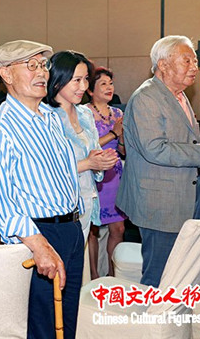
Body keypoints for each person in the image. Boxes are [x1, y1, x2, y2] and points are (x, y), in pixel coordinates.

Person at [0, 40, 84, 339]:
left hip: (71, 229)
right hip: (38, 236)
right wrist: (40, 247)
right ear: (7, 74)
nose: (42, 73)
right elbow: (2, 204)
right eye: (31, 65)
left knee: (68, 322)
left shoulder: (51, 117)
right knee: (43, 327)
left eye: (44, 65)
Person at [117, 35, 200, 287]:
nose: (194, 67)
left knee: (182, 274)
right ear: (163, 64)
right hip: (161, 204)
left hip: (186, 197)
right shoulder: (147, 97)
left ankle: (174, 314)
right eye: (187, 60)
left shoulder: (178, 95)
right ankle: (155, 314)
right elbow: (155, 149)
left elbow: (186, 142)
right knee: (160, 277)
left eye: (195, 61)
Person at [46, 52, 118, 244]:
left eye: (85, 79)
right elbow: (46, 170)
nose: (84, 86)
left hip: (87, 199)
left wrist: (101, 161)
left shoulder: (85, 114)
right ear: (58, 81)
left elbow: (93, 152)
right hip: (60, 208)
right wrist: (88, 163)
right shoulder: (45, 118)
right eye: (76, 80)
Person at [86, 67, 127, 278]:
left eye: (111, 83)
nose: (109, 87)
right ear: (90, 90)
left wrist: (123, 139)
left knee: (118, 228)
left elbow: (122, 150)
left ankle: (112, 276)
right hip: (95, 177)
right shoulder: (84, 113)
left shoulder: (118, 113)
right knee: (92, 230)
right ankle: (94, 276)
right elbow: (87, 147)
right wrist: (113, 133)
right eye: (103, 84)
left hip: (115, 177)